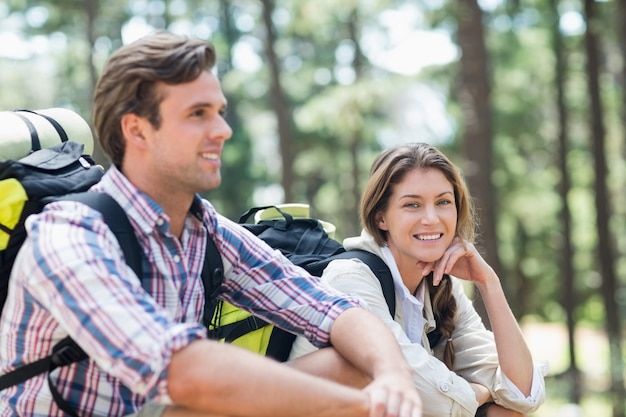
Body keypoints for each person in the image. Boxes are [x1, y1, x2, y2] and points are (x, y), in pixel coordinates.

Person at [0, 31, 423, 417]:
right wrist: (362, 406)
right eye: (198, 113)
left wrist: (392, 376)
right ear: (138, 130)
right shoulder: (70, 236)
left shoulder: (206, 231)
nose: (222, 129)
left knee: (356, 359)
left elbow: (334, 310)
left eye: (219, 111)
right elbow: (184, 371)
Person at [290, 143, 546, 417]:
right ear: (381, 218)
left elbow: (523, 394)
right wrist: (482, 391)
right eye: (412, 204)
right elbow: (426, 398)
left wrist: (488, 283)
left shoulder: (441, 288)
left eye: (443, 202)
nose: (431, 218)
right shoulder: (350, 279)